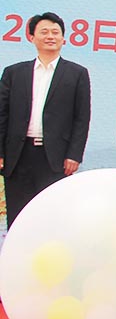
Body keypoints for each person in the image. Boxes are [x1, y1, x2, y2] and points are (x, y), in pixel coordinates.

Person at [0, 12, 90, 227]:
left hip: (55, 159)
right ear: (32, 37)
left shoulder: (77, 73)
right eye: (44, 32)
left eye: (55, 32)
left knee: (51, 217)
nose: (50, 36)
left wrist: (74, 155)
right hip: (18, 156)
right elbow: (2, 114)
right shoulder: (14, 73)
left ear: (63, 38)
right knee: (18, 217)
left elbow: (81, 118)